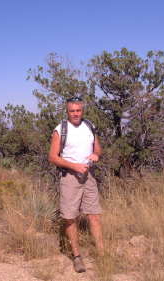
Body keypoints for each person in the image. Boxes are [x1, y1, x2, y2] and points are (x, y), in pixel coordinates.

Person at [48, 97, 104, 273]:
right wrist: (74, 166)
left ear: (82, 111)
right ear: (67, 112)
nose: (75, 114)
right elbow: (53, 157)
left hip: (88, 176)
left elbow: (97, 148)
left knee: (93, 215)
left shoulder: (89, 126)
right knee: (70, 217)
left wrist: (96, 154)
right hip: (70, 178)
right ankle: (77, 256)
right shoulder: (60, 130)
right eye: (72, 111)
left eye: (78, 110)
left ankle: (103, 255)